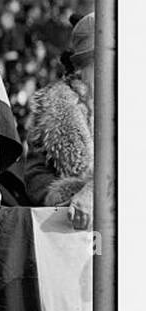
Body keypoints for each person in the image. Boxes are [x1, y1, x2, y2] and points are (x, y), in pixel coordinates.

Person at [24, 12, 94, 228]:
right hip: (73, 234)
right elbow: (36, 176)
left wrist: (93, 191)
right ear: (82, 64)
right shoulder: (53, 107)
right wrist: (62, 199)